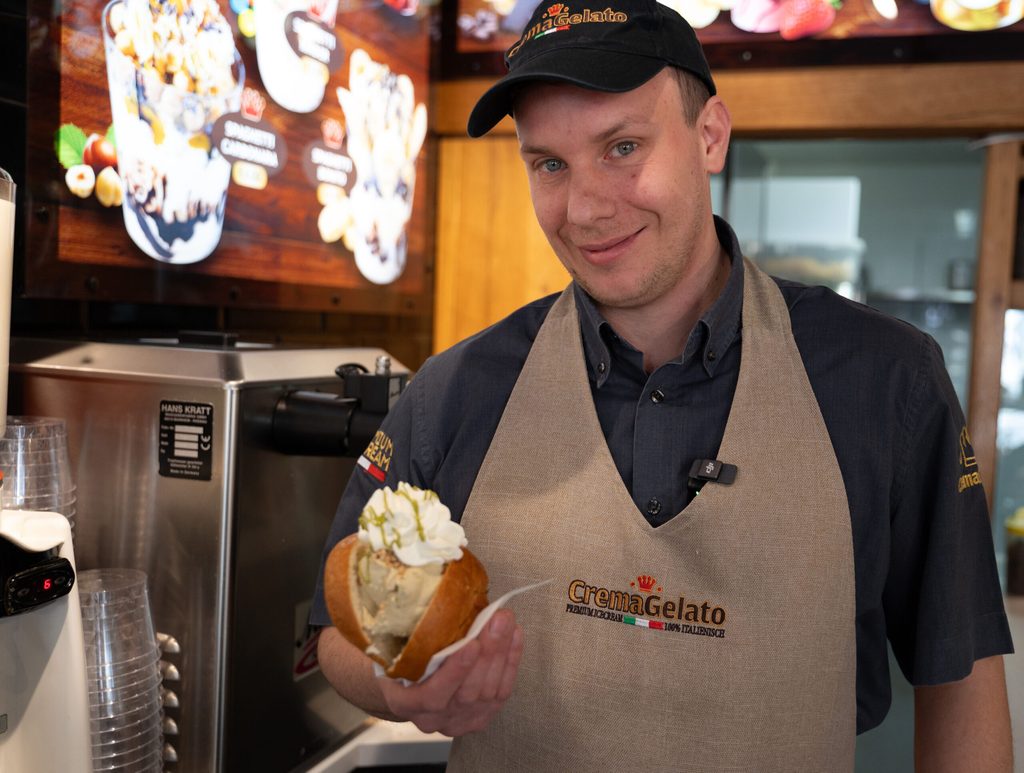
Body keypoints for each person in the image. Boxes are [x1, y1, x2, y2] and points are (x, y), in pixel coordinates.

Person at [311, 0, 1015, 768]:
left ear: (710, 136)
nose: (584, 208)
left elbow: (962, 671)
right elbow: (339, 631)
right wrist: (398, 687)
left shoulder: (885, 383)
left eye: (622, 147)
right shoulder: (455, 390)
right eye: (549, 163)